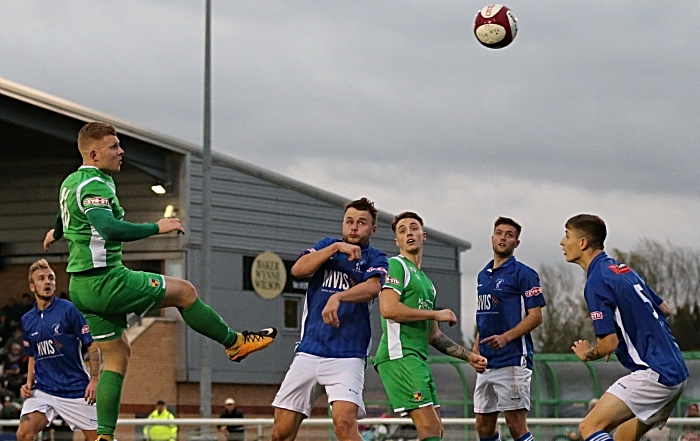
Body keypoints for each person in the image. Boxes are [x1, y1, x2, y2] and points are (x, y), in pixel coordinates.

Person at [43, 122, 277, 441]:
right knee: (184, 292)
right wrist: (158, 227)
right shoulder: (96, 185)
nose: (121, 150)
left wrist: (57, 232)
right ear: (94, 154)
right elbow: (110, 228)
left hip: (81, 288)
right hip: (106, 280)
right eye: (113, 146)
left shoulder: (72, 182)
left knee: (117, 355)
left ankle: (104, 437)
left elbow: (64, 214)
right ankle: (234, 343)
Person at [562, 214, 688, 441]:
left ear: (583, 243)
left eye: (567, 235)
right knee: (623, 438)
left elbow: (609, 343)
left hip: (654, 373)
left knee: (588, 428)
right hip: (676, 371)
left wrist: (589, 354)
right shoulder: (623, 270)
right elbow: (665, 309)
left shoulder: (597, 281)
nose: (562, 242)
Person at [271, 198, 389, 441]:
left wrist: (338, 297)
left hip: (347, 355)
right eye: (349, 221)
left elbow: (373, 288)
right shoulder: (327, 247)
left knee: (345, 424)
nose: (354, 227)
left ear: (373, 229)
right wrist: (335, 248)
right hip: (309, 351)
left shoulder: (376, 257)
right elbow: (298, 269)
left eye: (362, 222)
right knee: (281, 433)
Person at [374, 211, 487, 441]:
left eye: (413, 228)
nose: (409, 233)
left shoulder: (427, 284)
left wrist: (468, 356)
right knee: (430, 430)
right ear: (397, 241)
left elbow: (434, 335)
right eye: (402, 231)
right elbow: (388, 309)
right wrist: (436, 312)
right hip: (399, 356)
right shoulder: (396, 265)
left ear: (423, 235)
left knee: (436, 431)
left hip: (417, 359)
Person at [472, 217, 546, 441]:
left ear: (517, 242)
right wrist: (475, 350)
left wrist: (506, 337)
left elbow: (536, 316)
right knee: (484, 426)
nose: (503, 238)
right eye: (499, 232)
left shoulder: (524, 274)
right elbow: (485, 318)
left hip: (513, 359)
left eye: (509, 234)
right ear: (492, 237)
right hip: (487, 363)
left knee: (515, 425)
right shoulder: (483, 275)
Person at [16, 259, 100, 441]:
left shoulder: (69, 309)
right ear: (32, 287)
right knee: (23, 433)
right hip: (44, 391)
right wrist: (29, 383)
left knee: (100, 439)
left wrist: (94, 380)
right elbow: (32, 355)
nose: (47, 282)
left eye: (51, 278)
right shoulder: (27, 319)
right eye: (41, 278)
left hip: (76, 390)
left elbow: (92, 345)